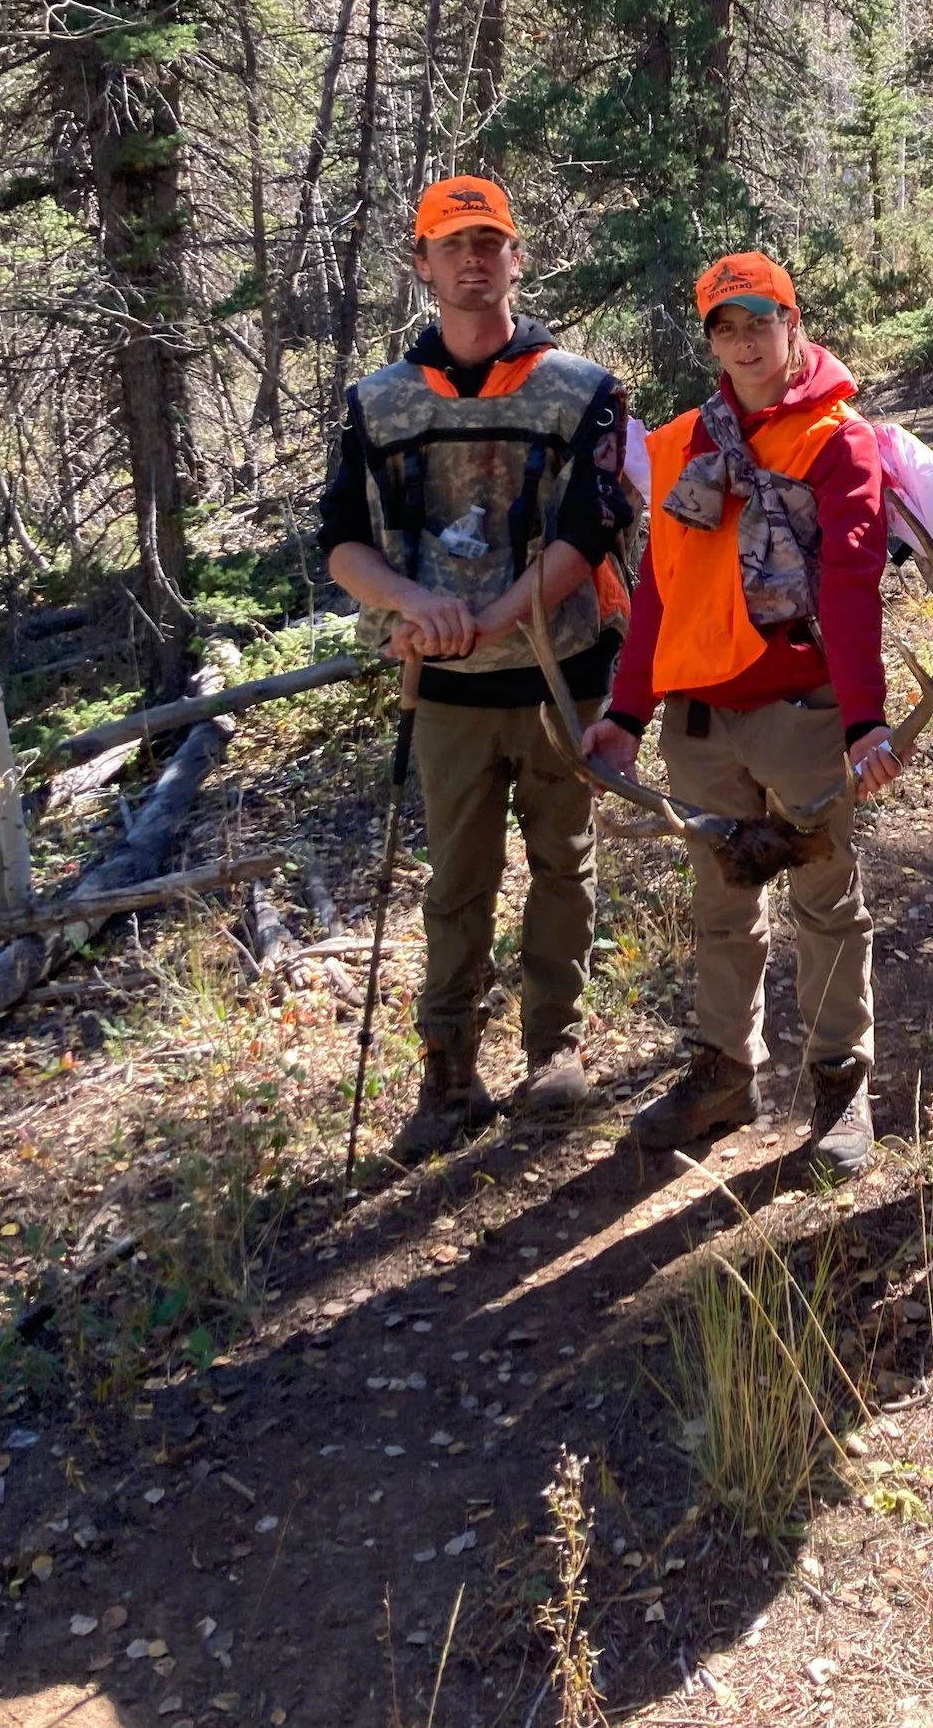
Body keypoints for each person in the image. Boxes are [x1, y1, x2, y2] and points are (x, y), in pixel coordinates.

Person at [319, 178, 633, 1163]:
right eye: (451, 244)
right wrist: (415, 606)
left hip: (558, 670)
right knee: (455, 878)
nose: (471, 260)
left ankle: (555, 1045)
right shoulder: (377, 402)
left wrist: (491, 616)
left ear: (516, 256)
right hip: (443, 688)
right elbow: (337, 540)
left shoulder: (582, 388)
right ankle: (448, 1071)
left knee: (562, 863)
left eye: (488, 242)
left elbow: (593, 527)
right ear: (420, 262)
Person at [579, 253, 901, 1179]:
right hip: (700, 723)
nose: (747, 340)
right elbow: (656, 598)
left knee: (826, 902)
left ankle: (842, 1085)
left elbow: (849, 584)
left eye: (763, 319)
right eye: (727, 326)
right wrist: (627, 714)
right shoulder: (683, 445)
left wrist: (862, 720)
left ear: (795, 326)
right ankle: (724, 1074)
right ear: (712, 340)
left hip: (802, 713)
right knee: (723, 904)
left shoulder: (838, 442)